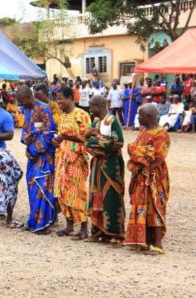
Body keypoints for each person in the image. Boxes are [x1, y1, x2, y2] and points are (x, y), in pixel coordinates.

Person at [126, 104, 171, 254]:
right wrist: (139, 151)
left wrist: (136, 151)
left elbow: (156, 156)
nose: (138, 118)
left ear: (149, 117)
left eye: (140, 115)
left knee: (155, 208)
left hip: (155, 177)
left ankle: (158, 244)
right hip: (141, 176)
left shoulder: (162, 134)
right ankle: (144, 240)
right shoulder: (143, 132)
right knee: (141, 207)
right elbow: (133, 150)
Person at [86, 95, 126, 244]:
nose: (90, 110)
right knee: (96, 195)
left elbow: (118, 142)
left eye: (92, 107)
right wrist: (95, 140)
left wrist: (98, 142)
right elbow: (88, 141)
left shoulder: (112, 121)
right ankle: (98, 231)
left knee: (110, 196)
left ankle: (114, 234)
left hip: (110, 165)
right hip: (97, 165)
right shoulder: (96, 122)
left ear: (99, 106)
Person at [17, 86, 57, 233]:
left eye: (22, 101)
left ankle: (44, 223)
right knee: (32, 185)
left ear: (28, 97)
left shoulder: (44, 108)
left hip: (44, 156)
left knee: (43, 186)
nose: (20, 105)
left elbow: (49, 132)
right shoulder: (27, 110)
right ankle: (34, 220)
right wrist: (27, 144)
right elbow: (25, 130)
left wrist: (34, 149)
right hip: (32, 156)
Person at [53, 87, 91, 240]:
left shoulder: (82, 115)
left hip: (76, 159)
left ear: (70, 98)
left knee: (77, 191)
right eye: (57, 98)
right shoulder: (62, 116)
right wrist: (57, 141)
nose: (59, 101)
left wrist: (65, 137)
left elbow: (87, 138)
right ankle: (69, 226)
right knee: (63, 191)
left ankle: (83, 228)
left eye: (61, 98)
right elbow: (61, 136)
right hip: (62, 158)